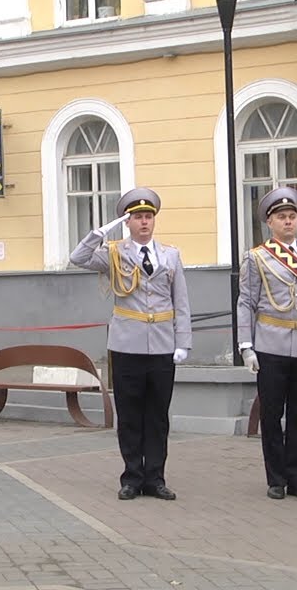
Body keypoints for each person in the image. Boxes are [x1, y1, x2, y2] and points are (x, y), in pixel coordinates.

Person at [70, 188, 192, 501]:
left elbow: (182, 301)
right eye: (137, 217)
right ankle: (131, 478)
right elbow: (77, 258)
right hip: (126, 345)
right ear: (128, 222)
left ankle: (156, 478)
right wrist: (99, 233)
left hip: (163, 344)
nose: (144, 222)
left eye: (148, 216)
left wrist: (183, 342)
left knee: (158, 415)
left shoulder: (171, 255)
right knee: (129, 414)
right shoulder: (114, 253)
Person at [237, 187, 297, 501]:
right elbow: (246, 303)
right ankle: (276, 479)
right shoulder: (256, 258)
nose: (288, 222)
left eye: (292, 216)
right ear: (270, 223)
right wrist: (246, 346)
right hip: (271, 343)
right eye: (282, 217)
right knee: (272, 413)